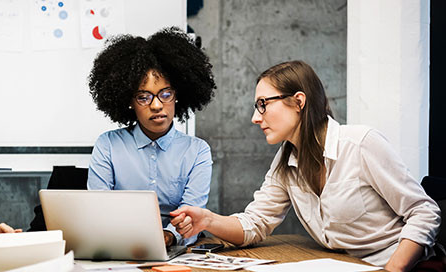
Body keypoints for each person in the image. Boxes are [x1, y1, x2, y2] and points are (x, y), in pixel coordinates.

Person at [170, 60, 441, 271]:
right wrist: (207, 219)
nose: (255, 117)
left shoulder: (360, 144)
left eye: (262, 104)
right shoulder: (285, 161)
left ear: (299, 101)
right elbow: (256, 223)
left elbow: (425, 212)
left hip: (400, 266)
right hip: (344, 266)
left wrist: (393, 269)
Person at [86, 27, 216, 246]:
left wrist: (168, 236)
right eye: (144, 97)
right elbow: (97, 211)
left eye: (166, 94)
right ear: (129, 101)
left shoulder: (197, 151)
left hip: (176, 249)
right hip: (119, 245)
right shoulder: (108, 145)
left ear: (178, 96)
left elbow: (192, 216)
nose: (157, 105)